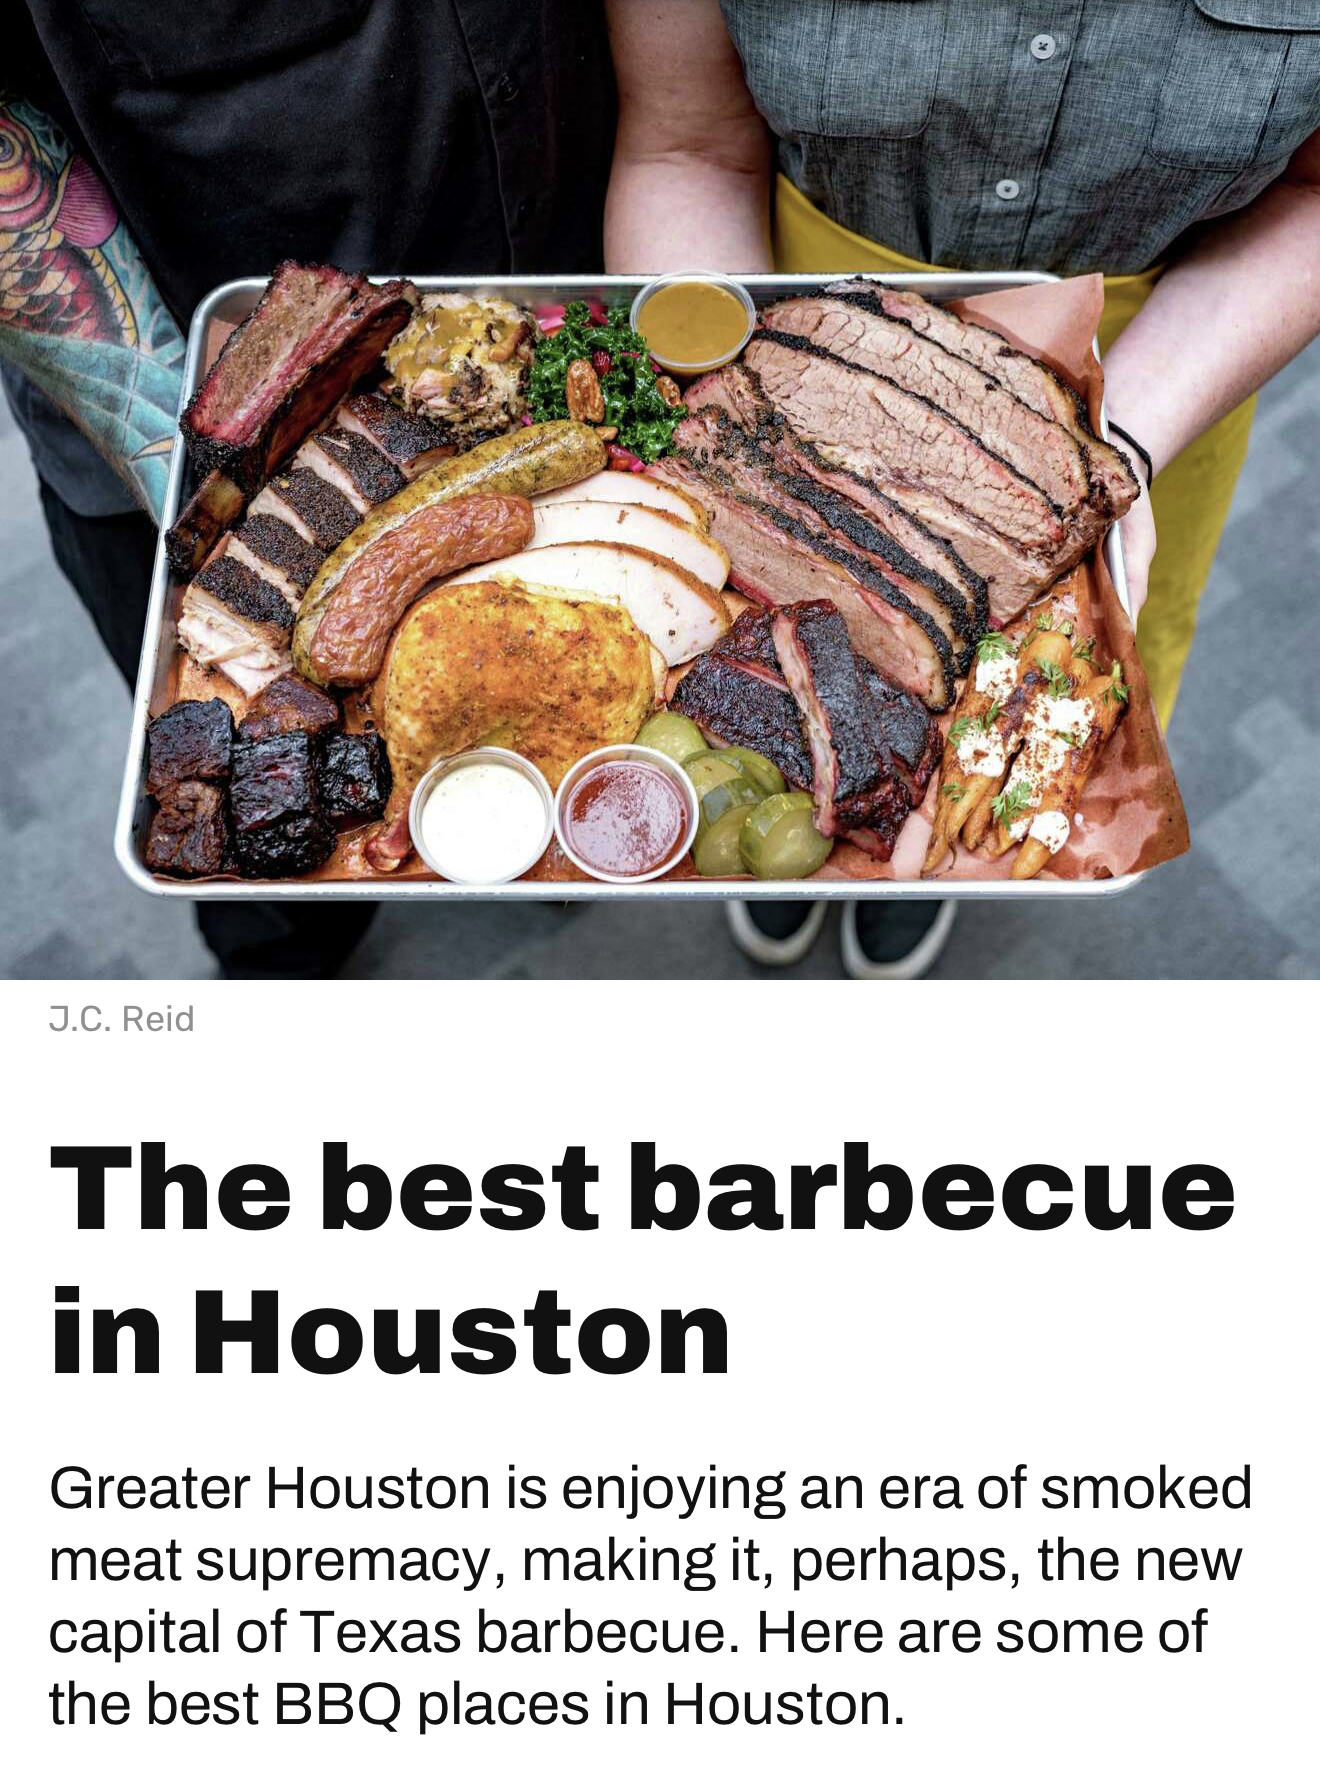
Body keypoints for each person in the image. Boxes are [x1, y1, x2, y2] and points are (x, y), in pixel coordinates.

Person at [603, 0, 1320, 978]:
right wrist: (752, 428)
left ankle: (919, 871)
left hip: (1156, 372)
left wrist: (1110, 447)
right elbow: (686, 147)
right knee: (757, 701)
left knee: (1028, 737)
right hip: (800, 326)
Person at [2, 1, 616, 978]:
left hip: (543, 305)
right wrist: (224, 482)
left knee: (545, 736)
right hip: (184, 411)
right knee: (267, 851)